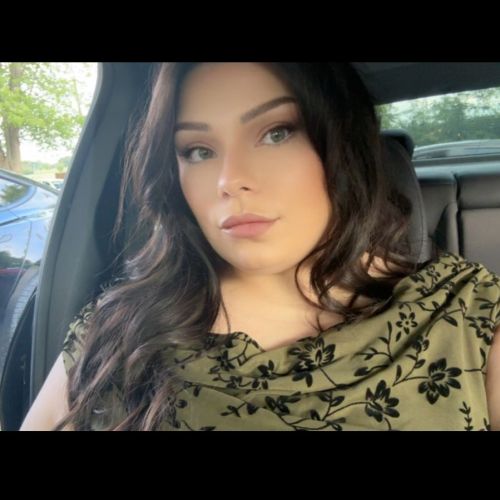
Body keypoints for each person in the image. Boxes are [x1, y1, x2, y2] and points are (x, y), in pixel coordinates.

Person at [20, 62, 500, 431]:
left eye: (276, 133)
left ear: (343, 145)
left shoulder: (466, 312)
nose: (229, 180)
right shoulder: (118, 330)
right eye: (198, 151)